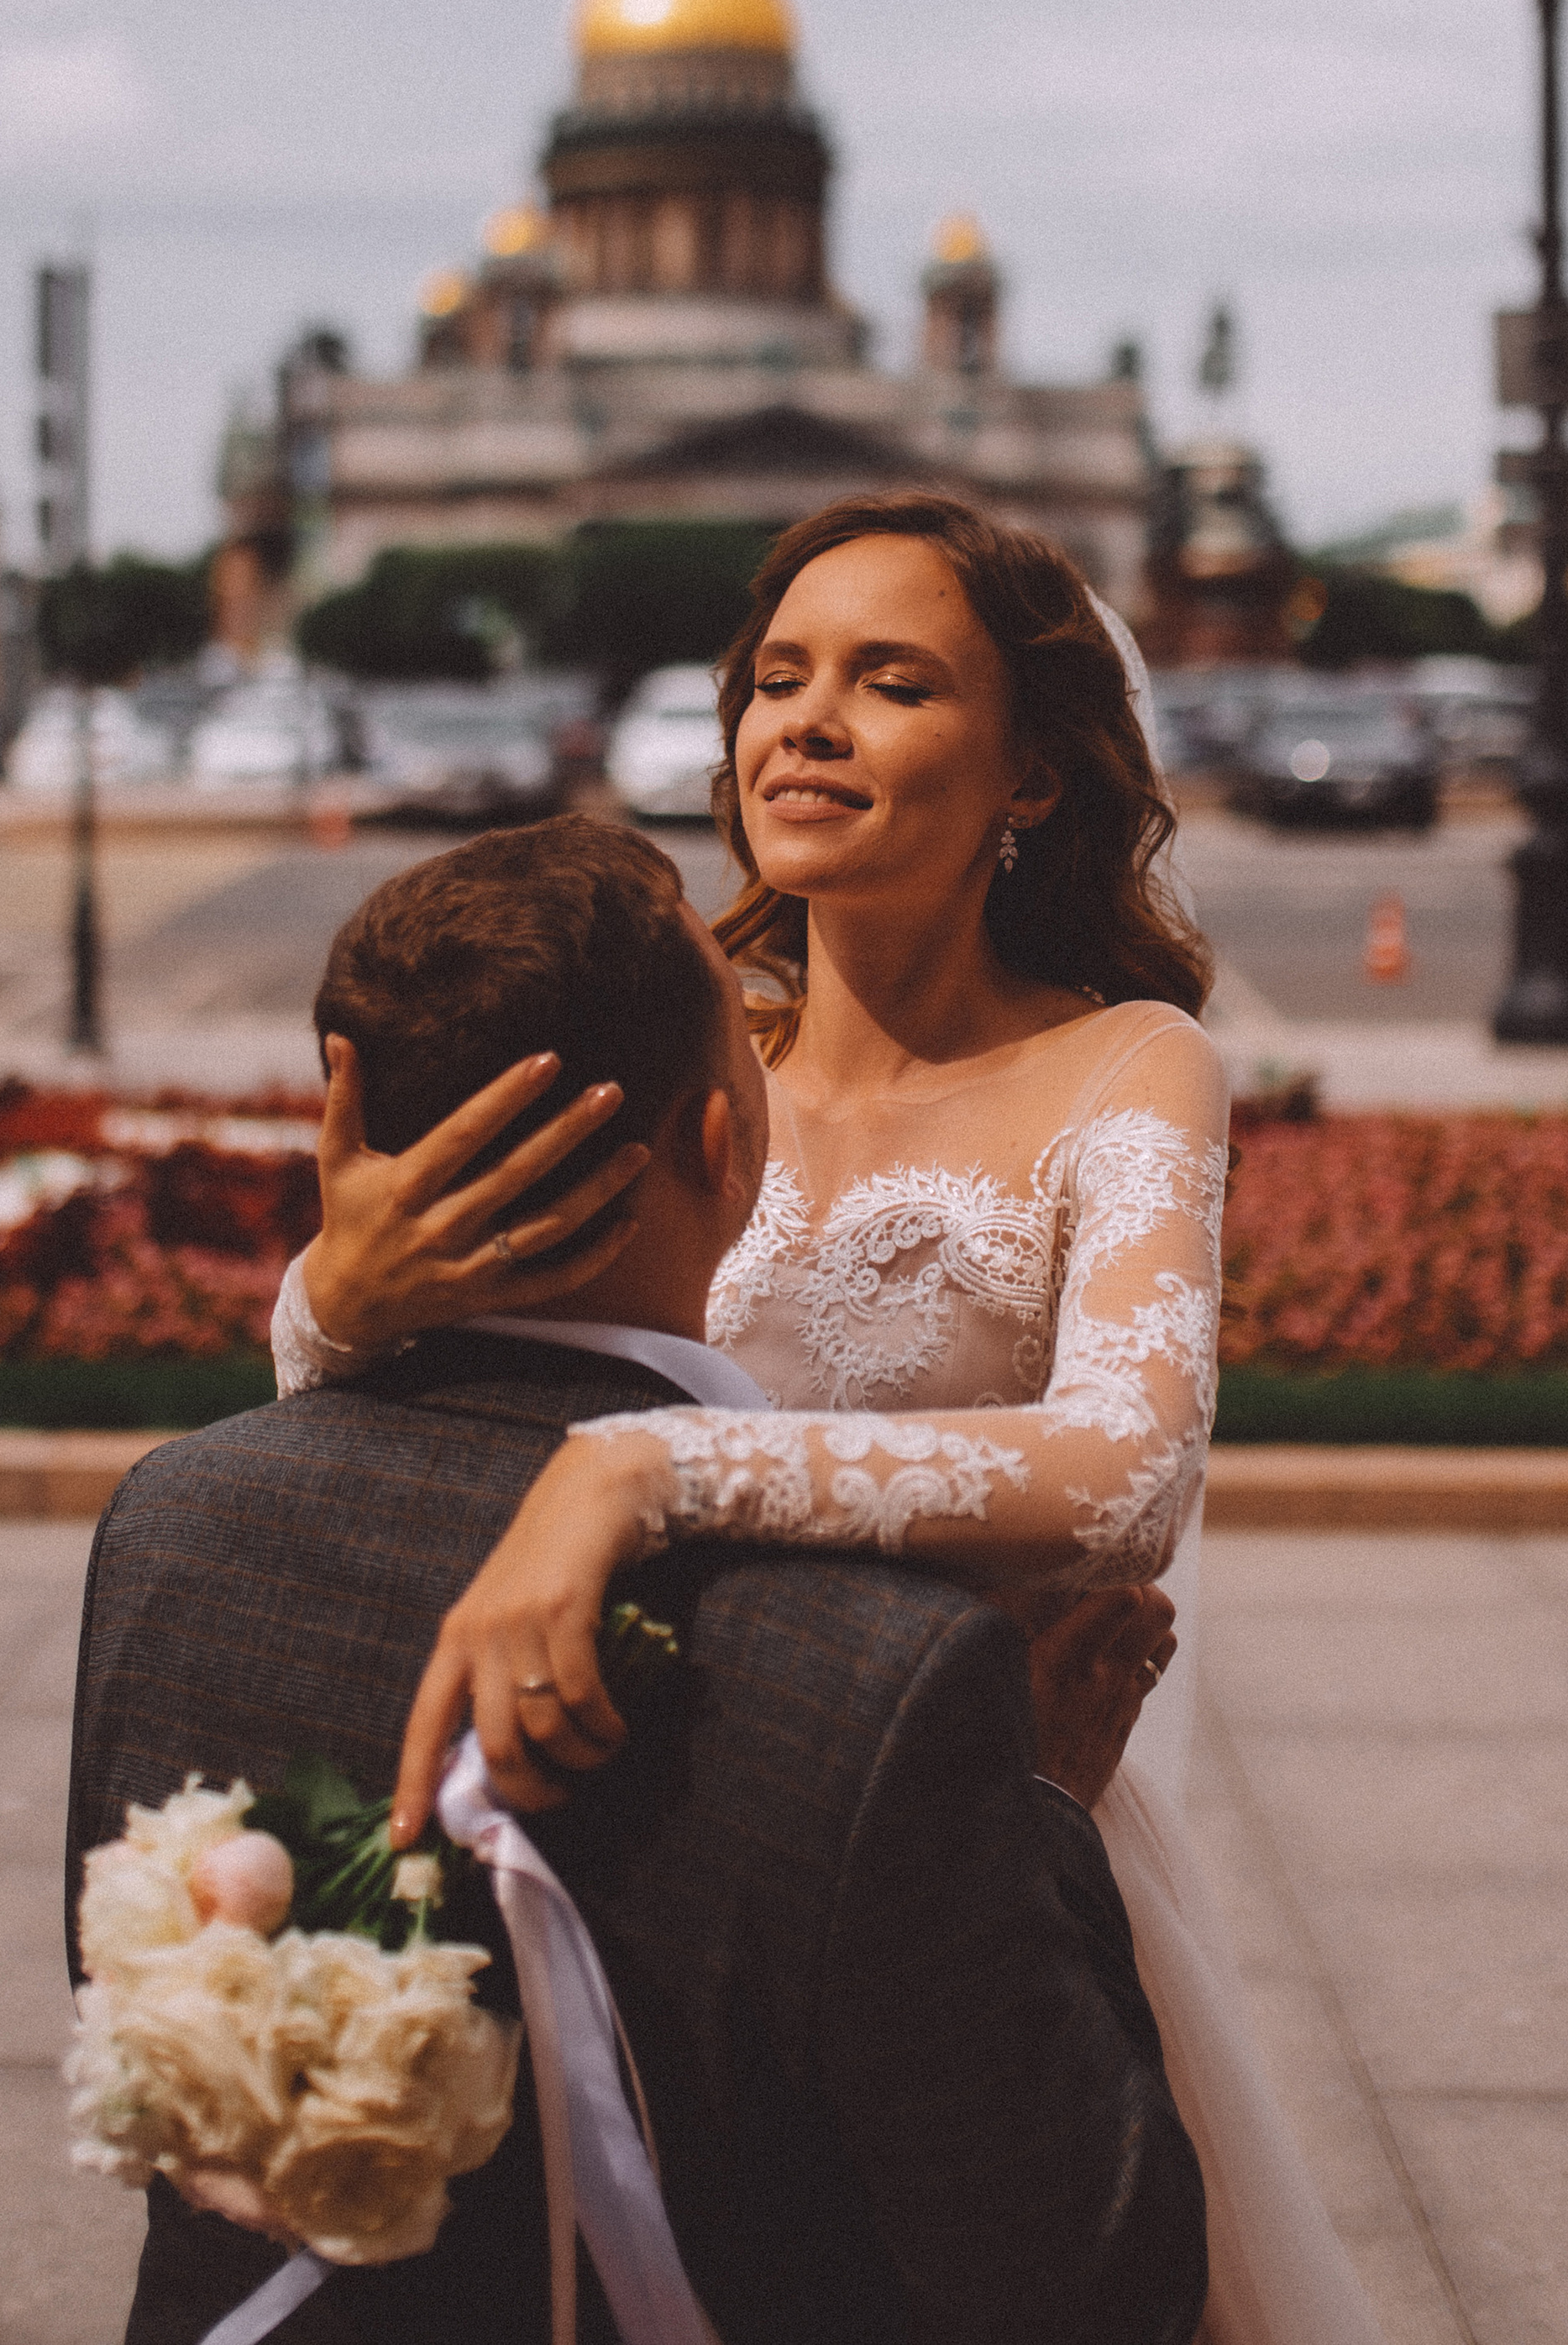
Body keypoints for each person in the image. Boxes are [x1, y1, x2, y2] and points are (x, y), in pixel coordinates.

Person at [272, 494, 1387, 2345]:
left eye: (891, 682)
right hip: (643, 1817)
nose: (804, 721)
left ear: (1030, 770)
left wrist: (642, 1470)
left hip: (978, 1818)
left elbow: (1125, 1471)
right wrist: (334, 1295)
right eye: (777, 678)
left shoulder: (1125, 1064)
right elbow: (394, 1400)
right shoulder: (679, 1043)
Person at [67, 816, 1208, 2344]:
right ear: (724, 1146)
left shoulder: (172, 1524)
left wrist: (328, 1314)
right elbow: (1093, 2276)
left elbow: (135, 2014)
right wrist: (1044, 1805)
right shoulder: (885, 1684)